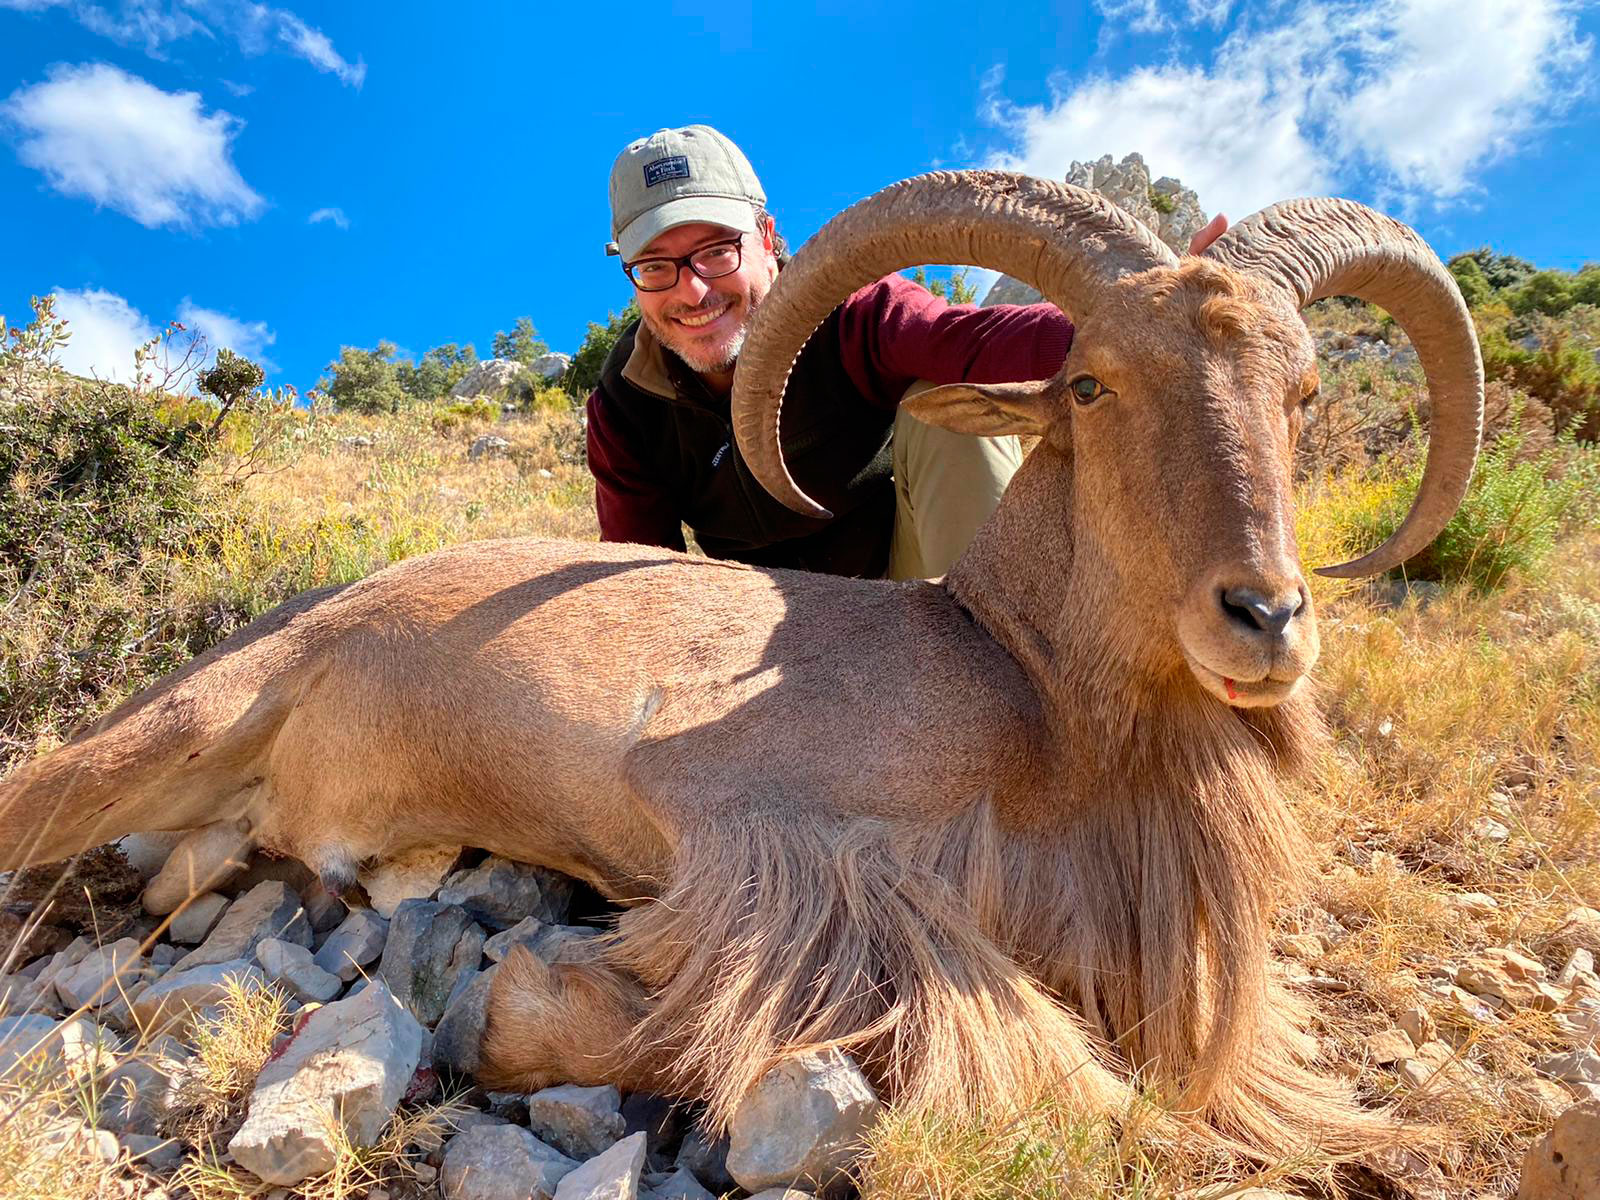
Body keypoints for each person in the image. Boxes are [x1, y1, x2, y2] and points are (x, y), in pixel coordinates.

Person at [585, 124, 1224, 579]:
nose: (692, 289)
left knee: (944, 414)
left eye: (716, 249)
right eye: (654, 266)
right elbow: (637, 575)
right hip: (758, 631)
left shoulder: (854, 312)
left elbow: (974, 342)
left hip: (908, 599)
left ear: (766, 235)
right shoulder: (624, 405)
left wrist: (1149, 324)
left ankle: (993, 672)